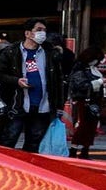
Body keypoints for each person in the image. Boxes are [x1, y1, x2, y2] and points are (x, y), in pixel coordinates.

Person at [11, 20, 69, 151]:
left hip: (42, 105)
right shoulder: (12, 52)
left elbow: (59, 79)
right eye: (39, 29)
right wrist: (16, 81)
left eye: (44, 30)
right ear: (27, 33)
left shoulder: (49, 52)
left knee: (34, 142)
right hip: (18, 105)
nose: (42, 33)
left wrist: (59, 105)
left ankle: (28, 168)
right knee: (9, 139)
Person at [64, 48, 106, 158]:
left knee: (91, 126)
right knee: (84, 125)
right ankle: (74, 149)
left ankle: (85, 149)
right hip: (85, 100)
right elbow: (81, 85)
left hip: (94, 100)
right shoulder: (80, 69)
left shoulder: (91, 69)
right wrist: (100, 82)